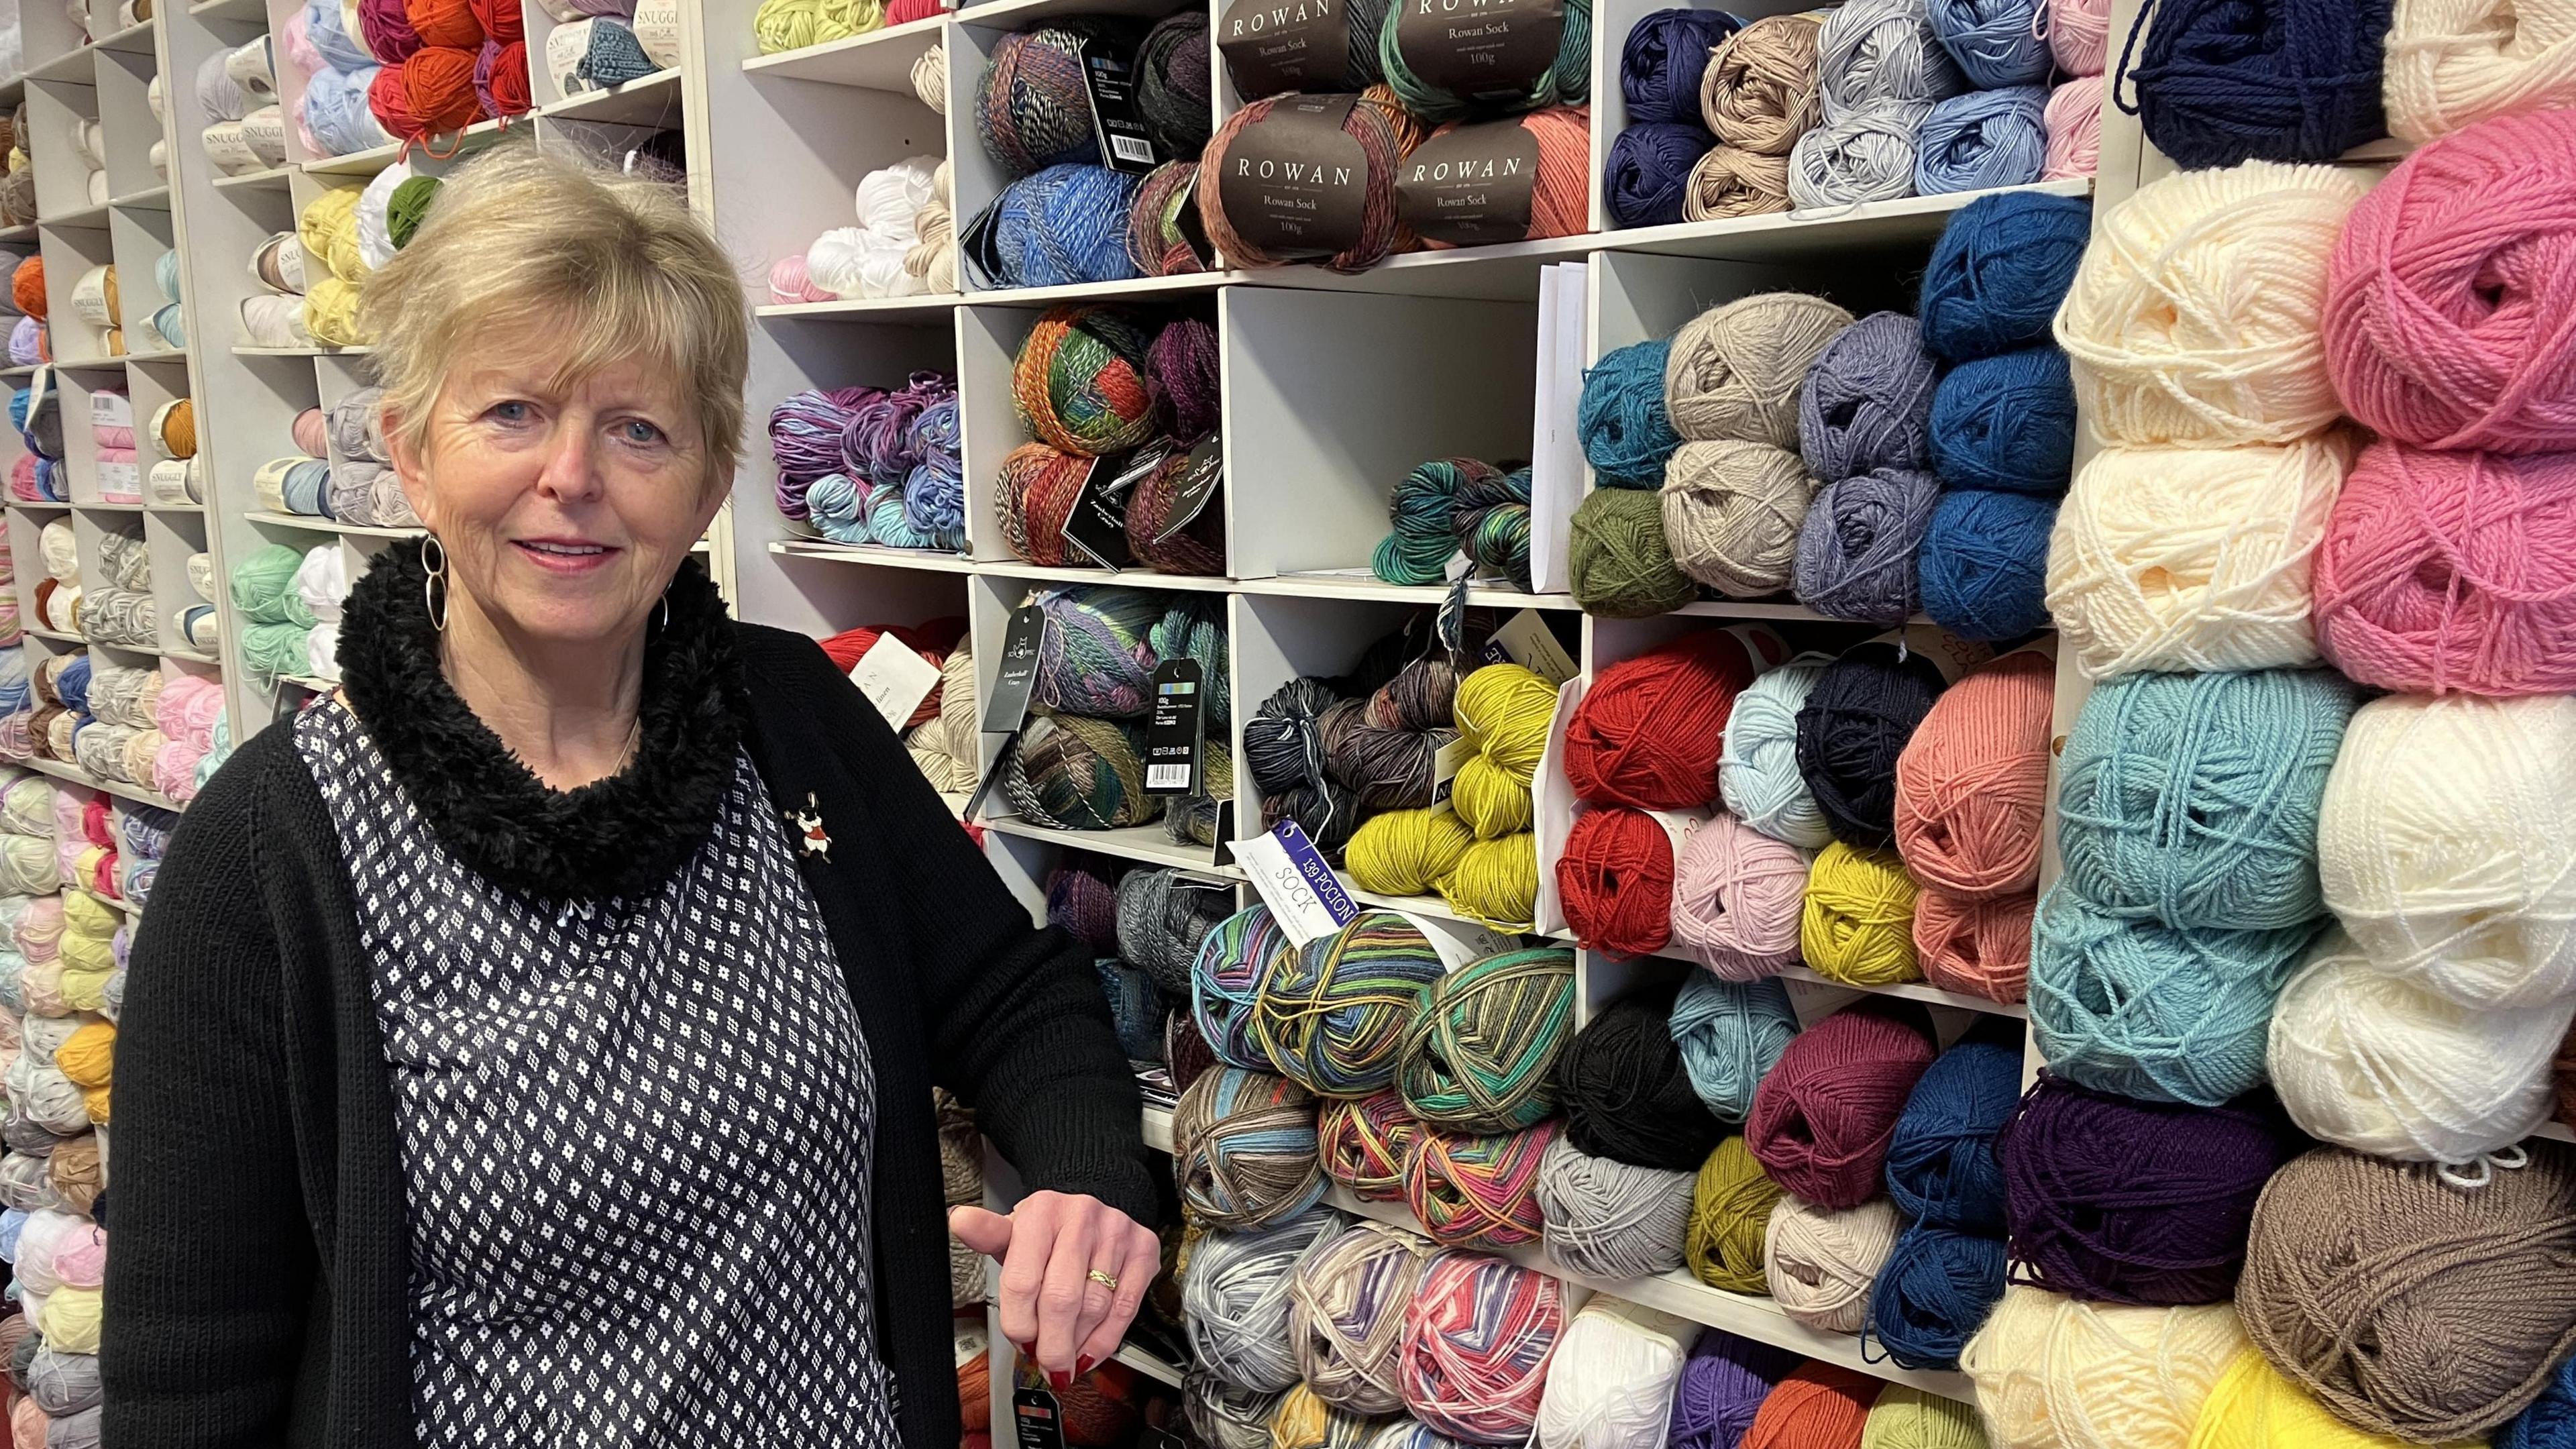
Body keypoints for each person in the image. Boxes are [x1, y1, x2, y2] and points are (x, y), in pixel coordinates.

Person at [102, 144, 1161, 1448]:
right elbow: (187, 1380)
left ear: (708, 484)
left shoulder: (787, 720)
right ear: (412, 455)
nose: (573, 475)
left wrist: (1091, 1178)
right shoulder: (278, 853)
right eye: (511, 414)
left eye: (637, 427)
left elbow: (1009, 989)